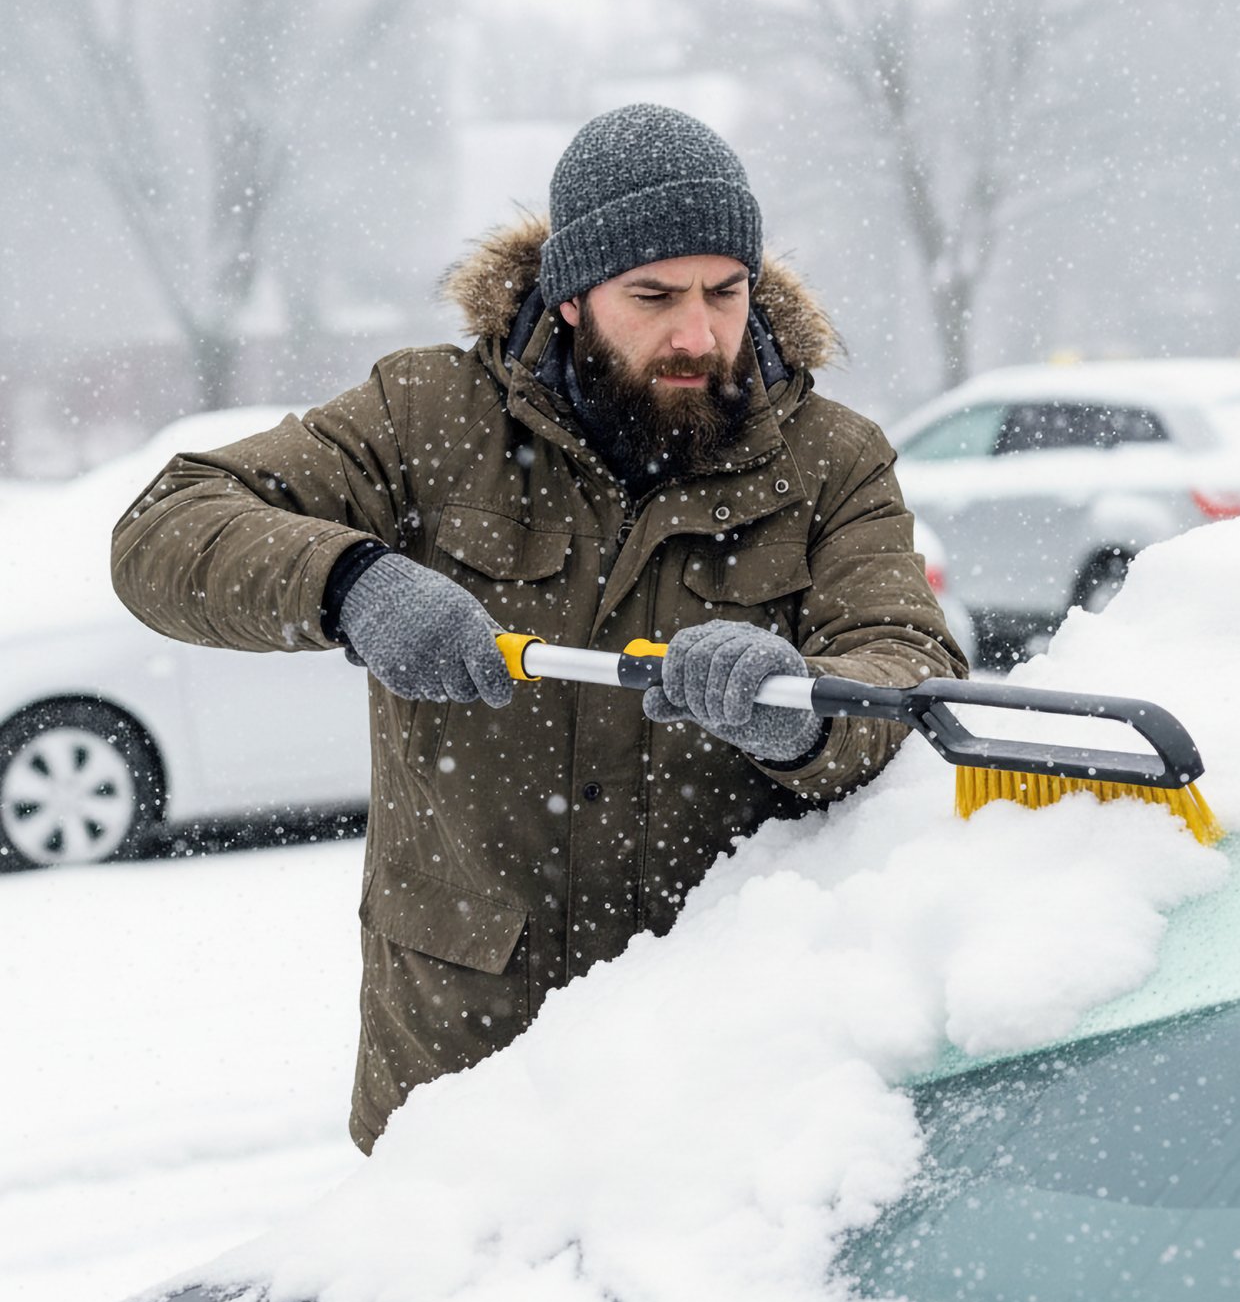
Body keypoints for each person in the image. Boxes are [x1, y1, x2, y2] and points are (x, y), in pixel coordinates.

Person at [112, 104, 967, 1152]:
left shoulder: (832, 463)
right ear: (569, 298)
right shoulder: (427, 415)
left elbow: (907, 665)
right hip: (457, 1062)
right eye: (652, 296)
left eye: (724, 292)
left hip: (717, 1053)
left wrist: (796, 707)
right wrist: (353, 584)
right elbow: (168, 525)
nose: (698, 333)